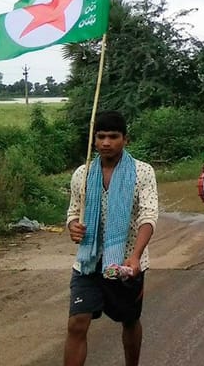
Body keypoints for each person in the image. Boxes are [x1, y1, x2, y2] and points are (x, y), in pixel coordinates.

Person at [64, 111, 158, 366]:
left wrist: (136, 256)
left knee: (129, 320)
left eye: (113, 137)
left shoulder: (142, 172)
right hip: (89, 262)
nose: (106, 143)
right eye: (101, 136)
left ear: (125, 139)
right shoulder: (82, 175)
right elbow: (73, 212)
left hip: (126, 264)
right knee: (77, 323)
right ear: (94, 140)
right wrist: (73, 226)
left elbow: (148, 216)